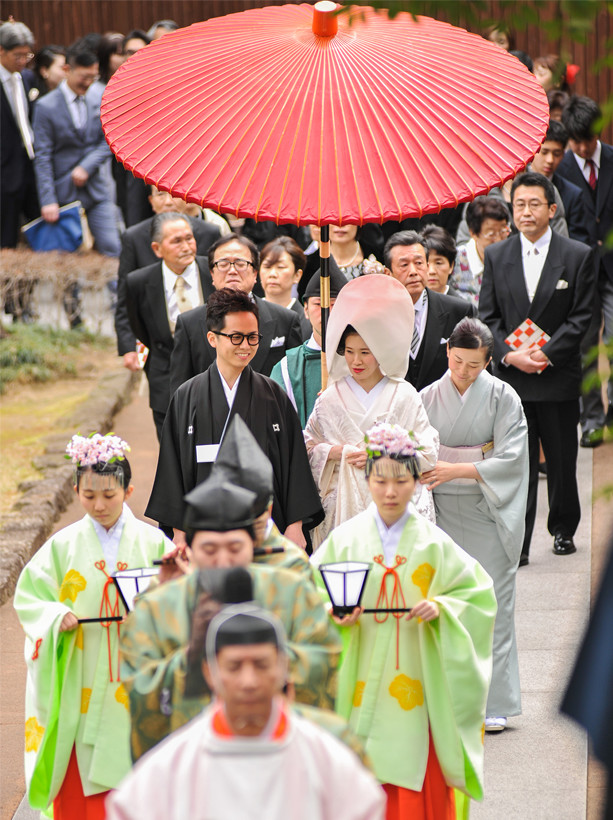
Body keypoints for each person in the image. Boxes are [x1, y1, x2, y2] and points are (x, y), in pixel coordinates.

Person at [311, 423, 496, 819]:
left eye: (401, 480)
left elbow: (478, 596)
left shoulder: (433, 542)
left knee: (416, 784)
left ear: (417, 481)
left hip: (417, 683)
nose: (390, 491)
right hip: (359, 682)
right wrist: (332, 616)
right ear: (367, 480)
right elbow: (308, 599)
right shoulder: (345, 540)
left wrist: (443, 609)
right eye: (380, 481)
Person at [121, 476, 340, 758]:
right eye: (210, 550)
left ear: (254, 546)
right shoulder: (160, 603)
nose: (223, 561)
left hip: (279, 749)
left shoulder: (291, 590)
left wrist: (267, 662)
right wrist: (199, 656)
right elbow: (140, 683)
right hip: (193, 756)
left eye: (235, 549)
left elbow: (324, 656)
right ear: (187, 549)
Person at [13, 434, 170, 818]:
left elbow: (181, 596)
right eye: (89, 495)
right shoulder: (61, 546)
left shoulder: (154, 543)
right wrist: (54, 616)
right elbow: (30, 597)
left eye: (109, 495)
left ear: (128, 491)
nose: (99, 505)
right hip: (81, 667)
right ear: (75, 491)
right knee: (79, 762)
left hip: (135, 670)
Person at [109, 602, 384, 820]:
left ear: (284, 667)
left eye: (262, 664)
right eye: (234, 666)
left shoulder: (325, 759)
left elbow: (364, 807)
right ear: (209, 672)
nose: (249, 681)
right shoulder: (172, 766)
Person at [147, 288, 323, 548]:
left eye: (253, 338)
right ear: (212, 338)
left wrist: (295, 527)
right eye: (236, 337)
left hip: (266, 529)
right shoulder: (187, 397)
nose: (246, 346)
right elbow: (172, 469)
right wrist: (179, 533)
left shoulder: (273, 395)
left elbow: (294, 464)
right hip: (204, 533)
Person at [479, 171, 595, 562]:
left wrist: (547, 354)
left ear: (551, 208)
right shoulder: (497, 255)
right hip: (512, 376)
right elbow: (488, 315)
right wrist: (509, 355)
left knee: (562, 459)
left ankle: (563, 528)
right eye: (519, 205)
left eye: (533, 204)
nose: (525, 212)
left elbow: (582, 316)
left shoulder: (576, 254)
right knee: (517, 462)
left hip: (557, 373)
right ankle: (519, 541)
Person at [420, 318, 528, 732]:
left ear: (488, 362)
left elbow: (512, 458)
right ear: (448, 351)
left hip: (488, 508)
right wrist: (438, 473)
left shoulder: (504, 397)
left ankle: (494, 701)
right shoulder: (427, 396)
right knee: (446, 605)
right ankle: (449, 698)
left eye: (474, 366)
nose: (464, 372)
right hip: (441, 511)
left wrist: (455, 469)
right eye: (458, 361)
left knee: (495, 608)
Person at [304, 275, 438, 549]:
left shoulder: (404, 394)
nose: (356, 360)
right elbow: (308, 446)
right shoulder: (329, 398)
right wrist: (335, 453)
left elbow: (428, 451)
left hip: (394, 500)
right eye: (350, 351)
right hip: (342, 507)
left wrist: (384, 454)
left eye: (365, 352)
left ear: (380, 351)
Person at [169, 233, 303, 394]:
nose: (232, 271)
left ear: (255, 273)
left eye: (240, 263)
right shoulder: (188, 323)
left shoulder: (286, 320)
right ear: (212, 274)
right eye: (223, 264)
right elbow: (180, 391)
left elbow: (296, 385)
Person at [124, 212, 215, 441]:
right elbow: (140, 329)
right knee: (173, 450)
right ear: (157, 249)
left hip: (214, 375)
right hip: (164, 377)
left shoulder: (215, 272)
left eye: (189, 238)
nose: (186, 246)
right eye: (176, 241)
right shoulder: (139, 283)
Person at [115, 185, 220, 372]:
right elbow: (126, 297)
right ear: (151, 201)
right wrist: (129, 346)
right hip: (161, 348)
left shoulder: (209, 231)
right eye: (160, 194)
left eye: (173, 194)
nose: (168, 201)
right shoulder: (134, 237)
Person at [557, 96, 613, 446]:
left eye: (587, 140)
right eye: (575, 142)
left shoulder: (612, 159)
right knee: (586, 347)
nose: (581, 147)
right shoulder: (559, 167)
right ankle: (591, 418)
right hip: (580, 273)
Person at [32, 39, 120, 257]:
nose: (88, 82)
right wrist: (48, 200)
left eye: (93, 77)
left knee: (113, 247)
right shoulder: (46, 106)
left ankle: (116, 292)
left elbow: (109, 139)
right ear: (67, 70)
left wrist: (87, 166)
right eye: (84, 77)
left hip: (97, 190)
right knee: (68, 257)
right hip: (63, 193)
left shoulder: (100, 95)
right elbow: (42, 156)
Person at [383, 230, 475, 388]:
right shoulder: (378, 316)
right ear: (388, 273)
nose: (413, 272)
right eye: (404, 265)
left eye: (419, 263)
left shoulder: (458, 311)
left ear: (426, 265)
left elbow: (476, 367)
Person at [270, 260, 347, 427]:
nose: (327, 312)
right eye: (319, 304)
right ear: (305, 310)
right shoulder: (288, 367)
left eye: (334, 304)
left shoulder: (363, 358)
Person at [0, 20, 39, 249]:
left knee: (38, 232)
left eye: (27, 55)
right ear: (1, 50)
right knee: (6, 240)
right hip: (4, 171)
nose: (23, 61)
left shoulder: (27, 78)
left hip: (29, 165)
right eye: (18, 56)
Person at [530, 119, 590, 244]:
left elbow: (577, 242)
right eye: (544, 152)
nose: (550, 160)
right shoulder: (514, 185)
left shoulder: (572, 194)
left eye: (557, 154)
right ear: (533, 150)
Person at [453, 196, 511, 306]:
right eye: (491, 234)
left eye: (503, 231)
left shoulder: (516, 257)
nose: (499, 240)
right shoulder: (455, 261)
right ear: (473, 233)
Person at [260, 235, 310, 339]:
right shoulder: (249, 314)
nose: (272, 274)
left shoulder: (307, 322)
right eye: (267, 267)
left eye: (281, 267)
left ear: (297, 275)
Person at [421, 225, 460, 296]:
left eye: (438, 263)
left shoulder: (462, 306)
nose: (432, 271)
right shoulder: (408, 303)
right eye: (426, 263)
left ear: (451, 266)